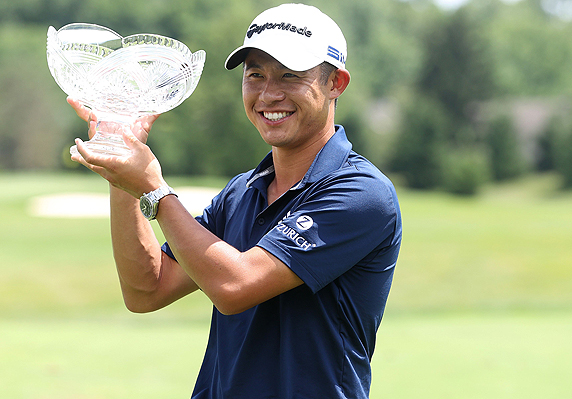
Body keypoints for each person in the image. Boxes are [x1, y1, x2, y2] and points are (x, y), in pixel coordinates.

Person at [69, 3, 402, 398]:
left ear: (336, 84)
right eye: (255, 75)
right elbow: (146, 290)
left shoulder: (361, 192)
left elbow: (235, 287)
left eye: (291, 76)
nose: (268, 93)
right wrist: (121, 173)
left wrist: (153, 188)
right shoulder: (242, 192)